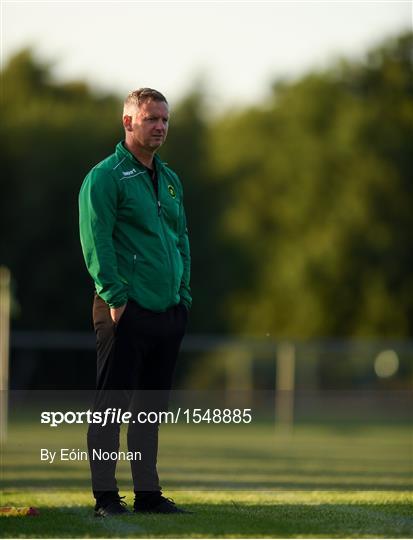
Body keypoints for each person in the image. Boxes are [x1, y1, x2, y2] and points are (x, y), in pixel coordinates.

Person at [79, 88, 191, 517]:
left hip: (168, 311)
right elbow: (96, 241)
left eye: (164, 119)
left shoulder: (170, 179)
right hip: (123, 310)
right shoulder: (104, 177)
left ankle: (148, 494)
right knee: (112, 407)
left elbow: (181, 239)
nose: (160, 126)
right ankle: (106, 498)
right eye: (151, 119)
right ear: (128, 122)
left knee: (149, 409)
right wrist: (116, 298)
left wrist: (183, 297)